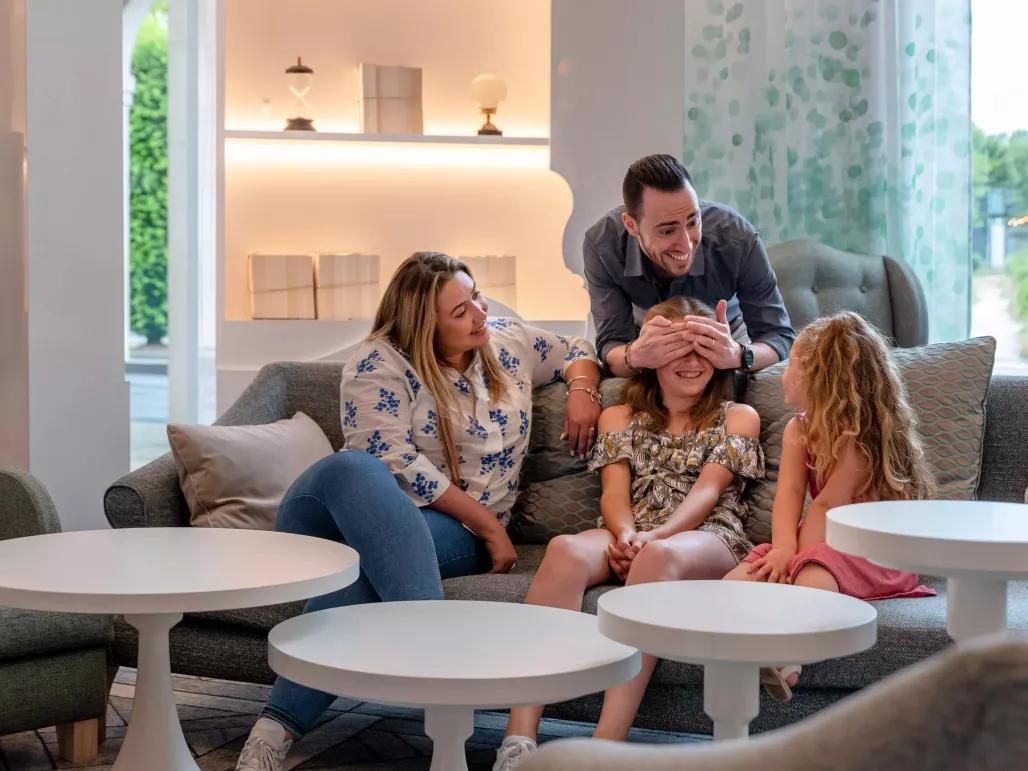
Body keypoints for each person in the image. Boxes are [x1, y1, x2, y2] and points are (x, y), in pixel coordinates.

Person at [235, 251, 602, 771]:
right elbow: (391, 460)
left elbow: (577, 349)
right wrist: (489, 523)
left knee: (360, 582)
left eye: (476, 295)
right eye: (460, 311)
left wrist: (583, 390)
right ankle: (442, 681)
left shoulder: (505, 341)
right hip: (330, 519)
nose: (478, 312)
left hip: (434, 534)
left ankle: (270, 736)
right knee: (357, 470)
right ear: (422, 325)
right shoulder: (379, 363)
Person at [493, 296, 765, 771]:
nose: (690, 362)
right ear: (651, 359)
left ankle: (604, 749)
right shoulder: (618, 417)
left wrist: (653, 540)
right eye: (676, 350)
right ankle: (519, 737)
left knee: (658, 559)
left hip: (706, 535)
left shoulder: (738, 417)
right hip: (632, 529)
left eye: (701, 350)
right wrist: (625, 534)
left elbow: (706, 494)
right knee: (564, 550)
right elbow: (614, 494)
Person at [724, 311, 936, 702]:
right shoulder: (798, 429)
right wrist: (783, 552)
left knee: (811, 579)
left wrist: (796, 562)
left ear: (820, 379)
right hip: (817, 544)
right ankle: (744, 646)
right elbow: (788, 495)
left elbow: (825, 505)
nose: (784, 373)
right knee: (738, 579)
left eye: (793, 366)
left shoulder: (858, 438)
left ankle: (787, 660)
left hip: (872, 553)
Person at [584, 153, 795, 380]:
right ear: (631, 225)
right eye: (667, 231)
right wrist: (633, 355)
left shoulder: (737, 238)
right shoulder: (603, 245)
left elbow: (778, 336)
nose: (687, 244)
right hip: (641, 333)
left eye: (693, 222)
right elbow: (611, 346)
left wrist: (739, 355)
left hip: (728, 331)